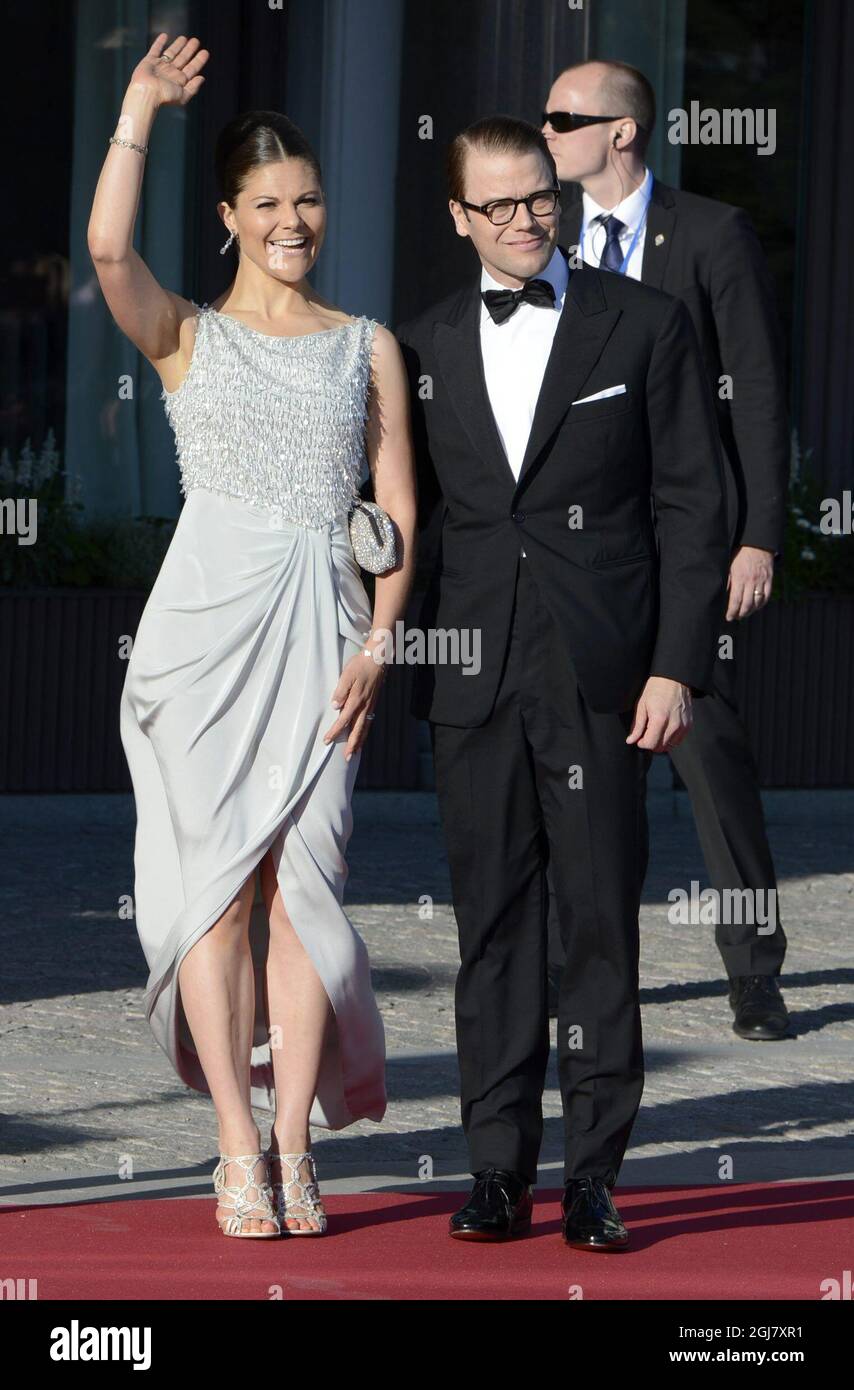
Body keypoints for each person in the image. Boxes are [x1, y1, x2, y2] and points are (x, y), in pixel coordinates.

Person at [88, 32, 416, 1238]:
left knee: (307, 897)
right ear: (228, 215)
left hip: (326, 643)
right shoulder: (184, 336)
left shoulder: (365, 344)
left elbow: (400, 517)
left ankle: (296, 1144)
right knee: (219, 900)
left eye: (310, 198)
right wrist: (136, 106)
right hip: (203, 645)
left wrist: (379, 645)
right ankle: (236, 1143)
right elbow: (109, 248)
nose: (294, 220)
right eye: (269, 203)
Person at [396, 116, 728, 1248]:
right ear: (457, 218)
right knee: (490, 929)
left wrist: (677, 662)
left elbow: (694, 503)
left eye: (538, 196)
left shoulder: (644, 324)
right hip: (470, 677)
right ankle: (494, 1172)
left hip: (602, 673)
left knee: (597, 926)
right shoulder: (422, 344)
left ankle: (594, 1174)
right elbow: (406, 525)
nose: (525, 219)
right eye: (497, 205)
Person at [543, 60, 791, 1040]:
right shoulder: (548, 241)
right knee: (595, 777)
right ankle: (596, 978)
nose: (545, 131)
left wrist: (756, 535)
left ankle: (753, 975)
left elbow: (758, 391)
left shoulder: (709, 234)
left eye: (563, 118)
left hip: (693, 551)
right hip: (589, 555)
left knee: (711, 768)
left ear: (619, 133)